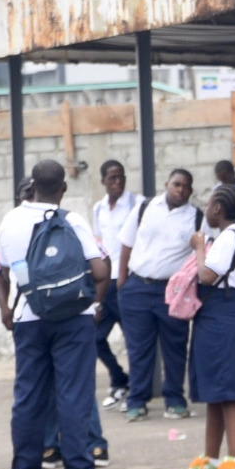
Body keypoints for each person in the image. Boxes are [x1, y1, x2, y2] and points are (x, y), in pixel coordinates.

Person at [0, 161, 116, 469]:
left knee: (28, 400)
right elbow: (100, 269)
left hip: (28, 320)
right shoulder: (72, 220)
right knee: (73, 398)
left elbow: (1, 270)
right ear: (62, 188)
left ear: (31, 186)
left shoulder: (10, 221)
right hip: (72, 319)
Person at [176, 184, 235, 469]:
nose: (205, 209)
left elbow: (207, 275)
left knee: (230, 389)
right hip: (213, 314)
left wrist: (198, 246)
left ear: (218, 208)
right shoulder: (225, 237)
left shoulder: (230, 236)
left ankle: (234, 461)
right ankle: (209, 459)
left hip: (224, 312)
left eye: (209, 204)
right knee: (213, 391)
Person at [118, 169, 199, 423]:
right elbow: (126, 243)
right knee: (138, 349)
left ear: (191, 190)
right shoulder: (144, 207)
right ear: (166, 184)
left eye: (186, 187)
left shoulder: (196, 217)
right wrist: (122, 281)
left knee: (175, 347)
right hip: (137, 288)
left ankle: (174, 400)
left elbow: (202, 253)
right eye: (176, 184)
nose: (180, 190)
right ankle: (136, 401)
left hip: (172, 292)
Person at [90, 159, 140, 406]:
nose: (118, 182)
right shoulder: (98, 209)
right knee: (95, 338)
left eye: (121, 177)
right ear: (103, 182)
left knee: (133, 339)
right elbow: (98, 246)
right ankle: (119, 378)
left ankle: (137, 391)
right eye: (112, 178)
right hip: (105, 284)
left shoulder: (135, 204)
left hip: (128, 280)